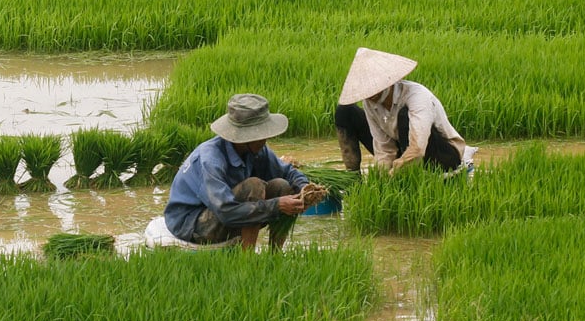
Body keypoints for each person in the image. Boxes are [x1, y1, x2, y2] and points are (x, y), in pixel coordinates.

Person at [164, 93, 309, 252]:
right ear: (246, 137)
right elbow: (226, 212)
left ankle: (275, 256)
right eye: (261, 136)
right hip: (194, 224)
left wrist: (305, 188)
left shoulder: (256, 149)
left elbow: (287, 172)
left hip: (226, 212)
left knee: (282, 185)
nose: (265, 140)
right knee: (254, 185)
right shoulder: (210, 159)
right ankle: (247, 260)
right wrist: (277, 205)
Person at [334, 47, 471, 173]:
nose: (370, 96)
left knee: (404, 116)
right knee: (345, 111)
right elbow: (383, 148)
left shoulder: (417, 95)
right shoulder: (370, 102)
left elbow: (418, 147)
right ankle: (353, 176)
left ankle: (412, 174)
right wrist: (381, 175)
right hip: (402, 148)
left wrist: (397, 169)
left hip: (441, 154)